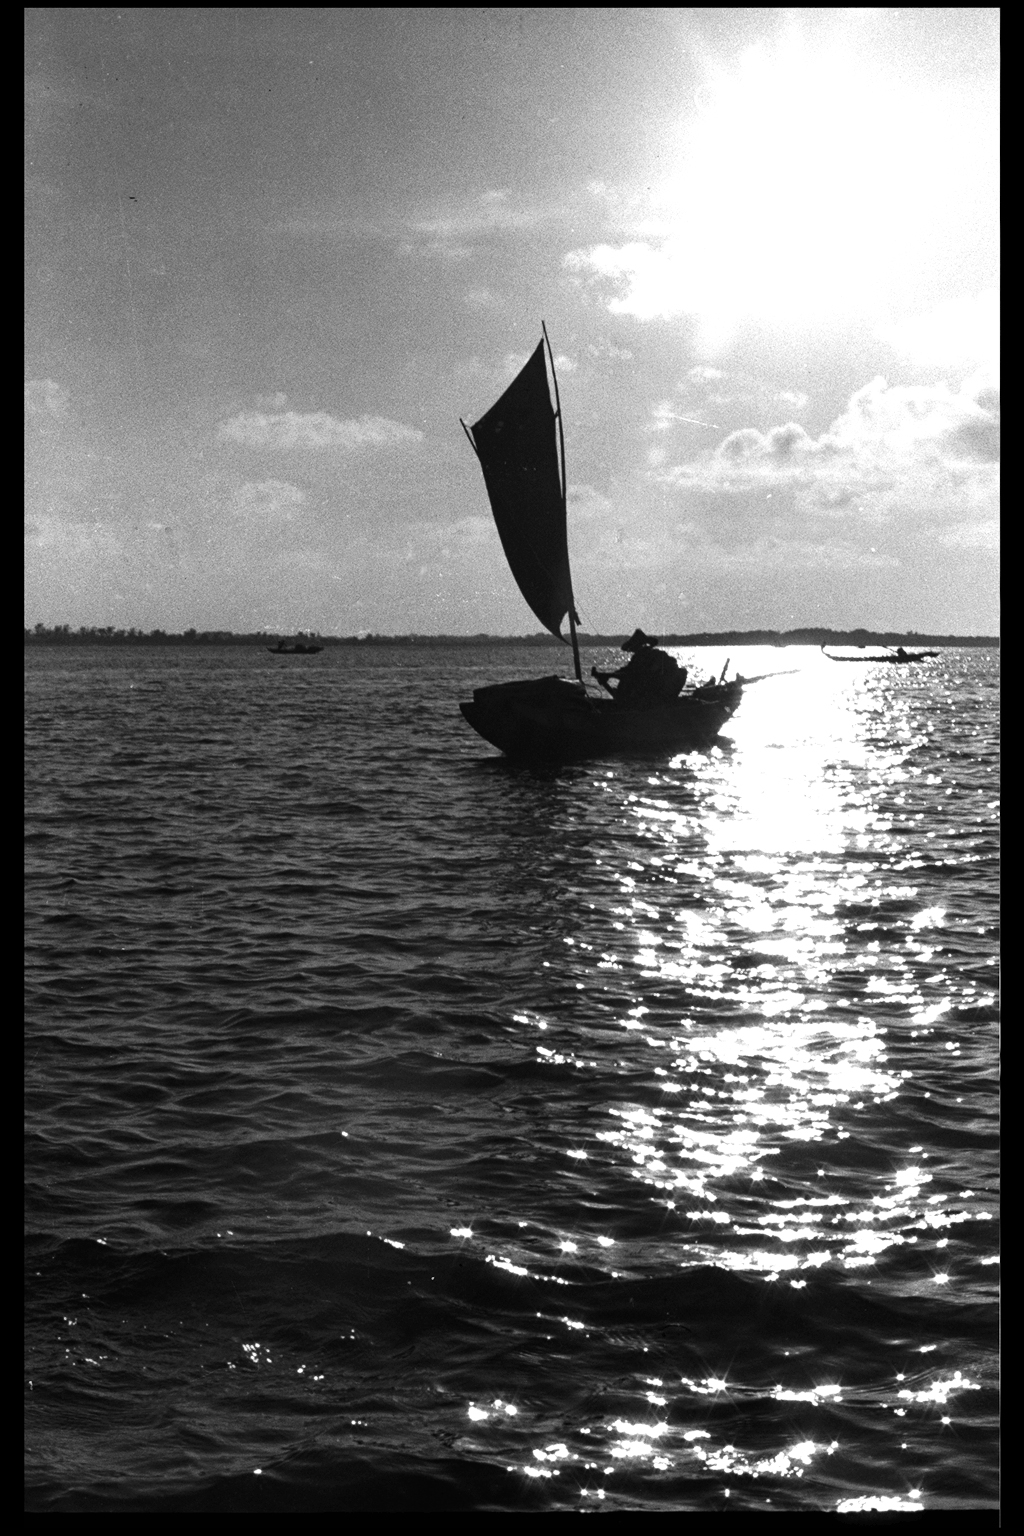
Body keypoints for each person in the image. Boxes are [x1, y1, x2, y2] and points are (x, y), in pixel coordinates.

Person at [591, 629, 687, 706]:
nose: (633, 651)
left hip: (654, 696)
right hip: (646, 694)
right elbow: (626, 671)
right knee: (624, 685)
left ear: (641, 645)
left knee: (627, 683)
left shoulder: (655, 656)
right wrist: (607, 675)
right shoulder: (637, 658)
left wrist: (610, 675)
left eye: (634, 647)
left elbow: (635, 674)